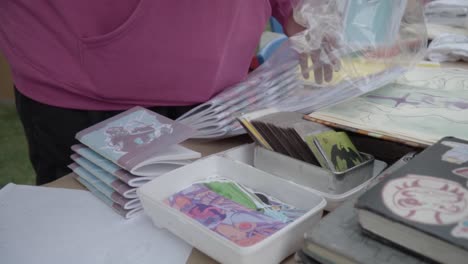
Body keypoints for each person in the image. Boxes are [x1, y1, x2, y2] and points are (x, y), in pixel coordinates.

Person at [0, 1, 333, 185]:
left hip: (222, 93)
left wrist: (298, 9)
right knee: (83, 224)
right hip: (82, 85)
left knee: (206, 208)